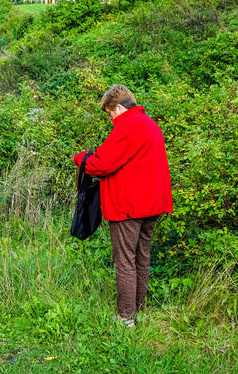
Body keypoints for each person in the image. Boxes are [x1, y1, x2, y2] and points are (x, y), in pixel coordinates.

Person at [72, 85, 172, 327]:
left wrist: (81, 157)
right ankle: (139, 309)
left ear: (118, 107)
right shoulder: (149, 124)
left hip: (129, 206)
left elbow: (100, 164)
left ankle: (126, 317)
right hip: (153, 204)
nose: (111, 118)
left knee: (125, 260)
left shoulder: (127, 126)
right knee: (142, 257)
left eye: (109, 113)